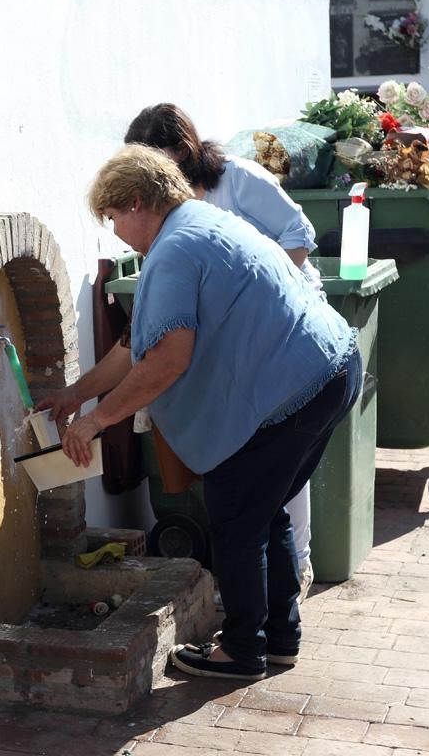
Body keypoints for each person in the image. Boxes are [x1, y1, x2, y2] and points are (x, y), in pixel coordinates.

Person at [42, 145, 360, 679]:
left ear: (138, 203)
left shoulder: (174, 251)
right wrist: (78, 393)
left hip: (294, 388)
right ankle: (279, 638)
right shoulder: (197, 224)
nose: (115, 230)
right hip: (329, 369)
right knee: (263, 509)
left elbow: (167, 359)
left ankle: (241, 651)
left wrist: (97, 421)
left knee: (235, 516)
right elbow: (131, 344)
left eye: (114, 217)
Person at [124, 103, 321, 596]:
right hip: (224, 336)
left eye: (163, 161)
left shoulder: (237, 177)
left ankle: (298, 566)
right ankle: (262, 583)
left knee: (278, 448)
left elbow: (300, 232)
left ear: (185, 151)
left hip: (280, 324)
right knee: (250, 454)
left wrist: (267, 295)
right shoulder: (162, 211)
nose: (154, 174)